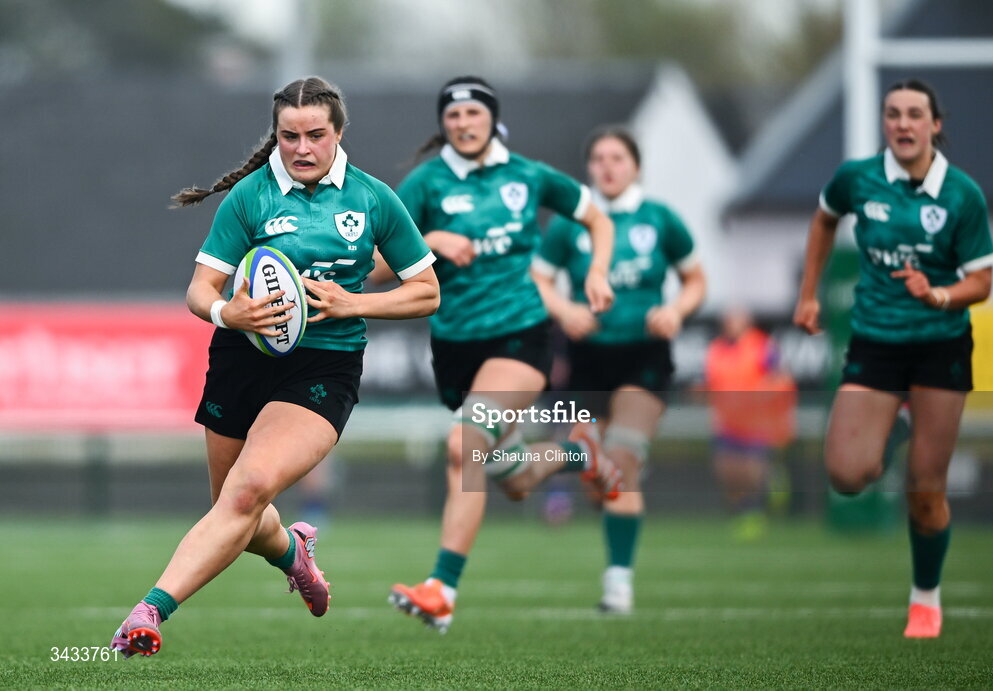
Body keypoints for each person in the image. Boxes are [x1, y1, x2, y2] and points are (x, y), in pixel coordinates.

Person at [108, 77, 439, 657]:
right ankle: (293, 553)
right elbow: (200, 290)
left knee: (249, 490)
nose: (302, 148)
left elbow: (427, 292)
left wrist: (352, 302)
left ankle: (148, 613)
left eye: (315, 135)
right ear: (276, 135)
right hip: (241, 355)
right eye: (290, 136)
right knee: (234, 507)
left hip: (324, 364)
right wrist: (225, 311)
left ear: (339, 133)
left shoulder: (373, 198)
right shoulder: (251, 197)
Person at [387, 76, 619, 634]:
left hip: (521, 339)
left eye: (473, 114)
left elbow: (598, 218)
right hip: (455, 349)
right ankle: (578, 453)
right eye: (453, 116)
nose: (463, 124)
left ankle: (441, 589)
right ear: (443, 124)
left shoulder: (528, 175)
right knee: (511, 478)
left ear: (492, 118)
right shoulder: (424, 185)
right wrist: (431, 242)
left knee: (464, 447)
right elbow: (376, 263)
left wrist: (596, 271)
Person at [793, 79, 993, 638]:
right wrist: (809, 293)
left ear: (935, 124)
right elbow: (823, 220)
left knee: (925, 492)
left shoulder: (962, 195)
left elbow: (981, 281)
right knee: (846, 474)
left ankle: (925, 596)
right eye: (892, 114)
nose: (903, 124)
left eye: (914, 115)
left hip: (939, 346)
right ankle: (896, 428)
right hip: (876, 342)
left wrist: (938, 294)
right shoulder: (857, 179)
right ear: (884, 124)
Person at [532, 126, 706, 613]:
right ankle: (609, 483)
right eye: (600, 158)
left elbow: (695, 279)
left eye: (618, 158)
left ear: (636, 166)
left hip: (644, 358)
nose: (608, 166)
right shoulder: (571, 224)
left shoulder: (660, 219)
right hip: (588, 361)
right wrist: (564, 310)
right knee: (596, 474)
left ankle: (618, 584)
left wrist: (676, 310)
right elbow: (539, 280)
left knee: (622, 457)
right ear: (589, 168)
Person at [703, 306, 796, 541]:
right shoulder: (716, 349)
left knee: (751, 471)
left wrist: (762, 394)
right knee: (728, 472)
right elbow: (714, 384)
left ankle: (754, 513)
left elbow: (781, 378)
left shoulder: (762, 346)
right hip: (727, 421)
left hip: (756, 420)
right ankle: (741, 512)